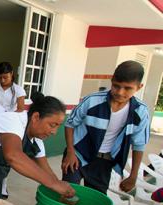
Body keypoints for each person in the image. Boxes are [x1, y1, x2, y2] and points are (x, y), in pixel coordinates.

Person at [61, 61, 150, 194]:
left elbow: (139, 144)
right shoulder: (91, 100)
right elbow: (70, 124)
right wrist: (70, 152)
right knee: (68, 193)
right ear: (111, 80)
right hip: (78, 155)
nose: (120, 92)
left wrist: (133, 176)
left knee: (94, 202)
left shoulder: (141, 112)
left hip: (105, 163)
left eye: (127, 88)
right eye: (116, 86)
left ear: (139, 87)